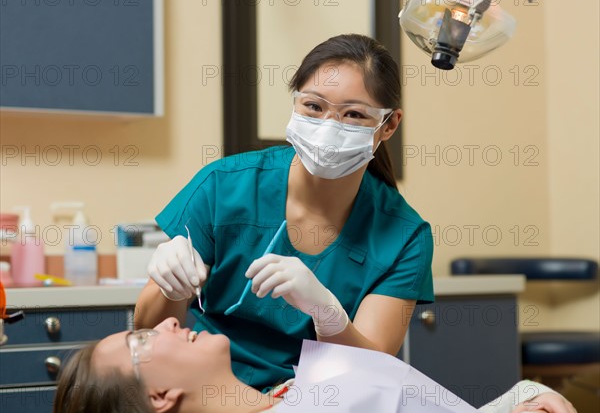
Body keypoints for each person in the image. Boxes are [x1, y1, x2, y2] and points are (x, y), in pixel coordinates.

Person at [135, 34, 435, 389]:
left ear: (389, 124)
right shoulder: (224, 186)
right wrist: (170, 290)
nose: (328, 127)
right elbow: (147, 332)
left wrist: (328, 314)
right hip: (201, 388)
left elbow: (371, 374)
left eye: (353, 114)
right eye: (313, 106)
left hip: (309, 404)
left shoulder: (404, 235)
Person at [53, 317, 590, 413]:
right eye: (141, 341)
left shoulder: (281, 403)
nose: (166, 321)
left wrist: (524, 396)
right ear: (162, 396)